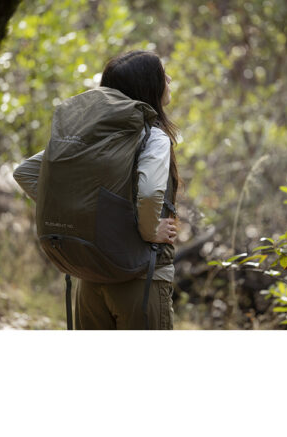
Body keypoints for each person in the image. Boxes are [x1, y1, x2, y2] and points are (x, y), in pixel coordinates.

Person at [13, 50, 179, 329]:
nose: (169, 79)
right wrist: (150, 231)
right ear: (148, 86)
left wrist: (80, 212)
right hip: (139, 279)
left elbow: (26, 172)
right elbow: (150, 193)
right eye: (163, 75)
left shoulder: (92, 139)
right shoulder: (153, 136)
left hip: (90, 278)